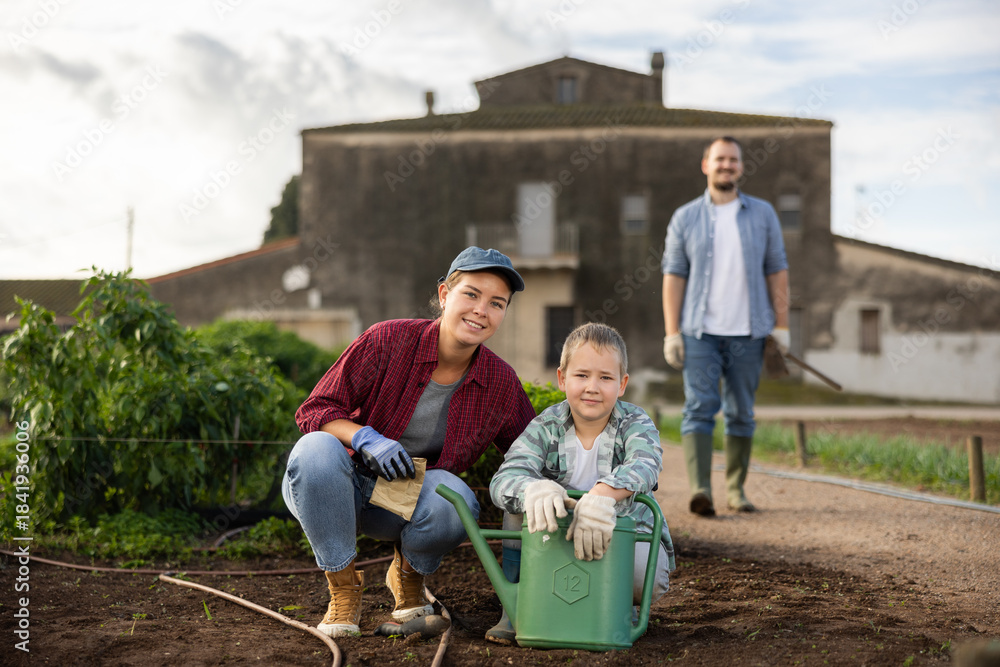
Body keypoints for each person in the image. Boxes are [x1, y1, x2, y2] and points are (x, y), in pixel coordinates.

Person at [282, 247, 537, 638]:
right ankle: (344, 589)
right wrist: (365, 437)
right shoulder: (387, 340)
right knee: (315, 450)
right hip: (337, 485)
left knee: (456, 500)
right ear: (444, 295)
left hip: (400, 503)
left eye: (496, 303)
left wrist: (606, 479)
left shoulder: (499, 383)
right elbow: (315, 409)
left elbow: (532, 453)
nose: (481, 310)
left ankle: (408, 577)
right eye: (471, 294)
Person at [488, 322, 674, 645]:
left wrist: (603, 496)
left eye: (605, 377)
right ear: (562, 378)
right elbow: (505, 477)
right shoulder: (545, 426)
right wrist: (534, 489)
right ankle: (515, 605)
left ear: (622, 384)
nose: (592, 387)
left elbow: (646, 464)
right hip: (555, 534)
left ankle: (617, 604)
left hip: (618, 534)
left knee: (648, 578)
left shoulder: (635, 422)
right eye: (581, 375)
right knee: (519, 502)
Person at [660, 136, 790, 516]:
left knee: (740, 412)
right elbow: (673, 275)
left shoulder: (763, 214)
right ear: (706, 165)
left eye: (733, 160)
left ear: (741, 167)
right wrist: (672, 332)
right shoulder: (686, 217)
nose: (726, 165)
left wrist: (781, 326)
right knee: (699, 407)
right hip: (700, 332)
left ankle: (736, 490)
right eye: (720, 159)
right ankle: (701, 490)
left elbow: (777, 269)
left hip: (750, 332)